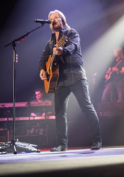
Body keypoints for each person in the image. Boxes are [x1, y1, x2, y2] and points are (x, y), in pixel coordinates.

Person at [38, 10, 102, 151]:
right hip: (59, 80)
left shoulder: (71, 33)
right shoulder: (50, 42)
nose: (53, 20)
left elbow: (74, 47)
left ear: (62, 20)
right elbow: (43, 59)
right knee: (59, 112)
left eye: (56, 18)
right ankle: (61, 144)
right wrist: (43, 69)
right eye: (51, 19)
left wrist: (63, 51)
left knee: (86, 107)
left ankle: (97, 140)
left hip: (76, 75)